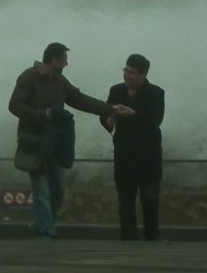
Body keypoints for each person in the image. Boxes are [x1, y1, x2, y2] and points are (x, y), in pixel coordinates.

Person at [9, 42, 132, 239]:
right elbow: (14, 105)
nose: (67, 64)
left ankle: (41, 224)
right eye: (64, 60)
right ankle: (47, 234)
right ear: (54, 60)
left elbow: (79, 99)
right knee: (41, 190)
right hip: (34, 144)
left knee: (58, 191)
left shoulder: (60, 81)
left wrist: (110, 109)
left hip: (56, 144)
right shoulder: (28, 77)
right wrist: (42, 115)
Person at [101, 53, 165, 240]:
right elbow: (105, 114)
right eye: (125, 70)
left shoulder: (156, 93)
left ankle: (151, 237)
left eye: (132, 72)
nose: (127, 75)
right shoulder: (116, 91)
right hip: (124, 153)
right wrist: (108, 121)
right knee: (125, 200)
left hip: (148, 155)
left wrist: (133, 114)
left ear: (143, 74)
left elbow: (155, 120)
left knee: (150, 199)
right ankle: (128, 238)